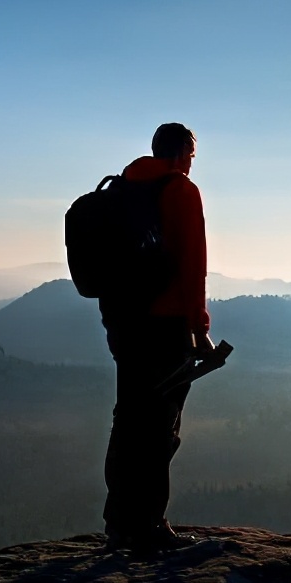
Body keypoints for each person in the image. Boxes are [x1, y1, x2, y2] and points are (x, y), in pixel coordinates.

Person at [99, 122, 212, 551]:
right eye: (192, 157)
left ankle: (119, 521)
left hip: (124, 323)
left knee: (128, 417)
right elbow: (192, 263)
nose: (191, 165)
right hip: (165, 326)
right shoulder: (180, 191)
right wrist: (198, 327)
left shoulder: (124, 187)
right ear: (181, 153)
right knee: (160, 424)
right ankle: (148, 525)